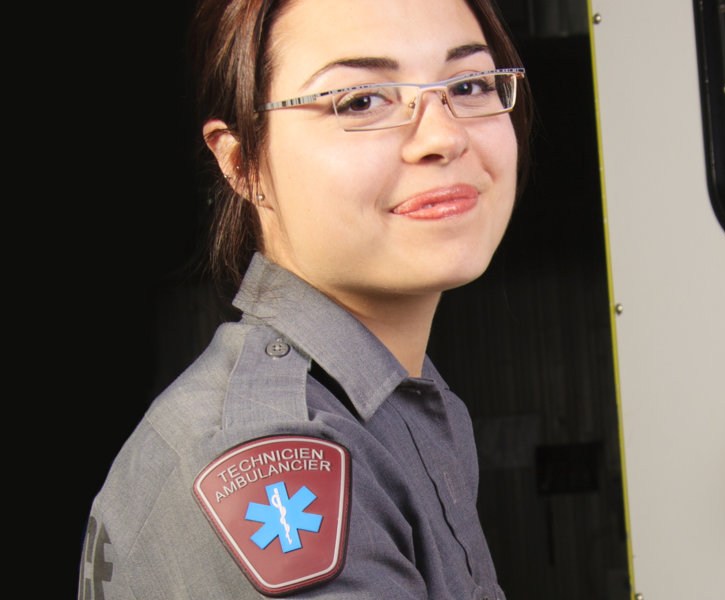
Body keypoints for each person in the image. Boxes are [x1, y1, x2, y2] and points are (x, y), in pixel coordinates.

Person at [79, 0, 528, 597]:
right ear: (243, 164)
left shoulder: (393, 405)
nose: (443, 136)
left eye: (469, 84)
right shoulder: (273, 457)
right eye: (361, 101)